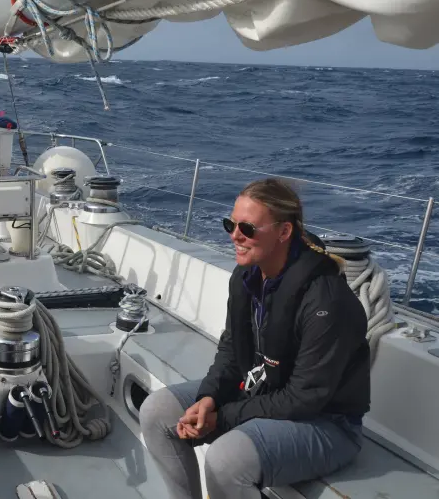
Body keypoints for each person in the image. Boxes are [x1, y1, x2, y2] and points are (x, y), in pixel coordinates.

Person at [139, 178, 370, 499]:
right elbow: (232, 352)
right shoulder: (247, 278)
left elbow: (305, 398)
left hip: (328, 423)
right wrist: (209, 398)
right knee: (157, 411)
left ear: (284, 232)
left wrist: (222, 417)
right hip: (265, 390)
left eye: (247, 228)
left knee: (226, 460)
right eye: (230, 225)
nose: (235, 235)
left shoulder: (326, 302)